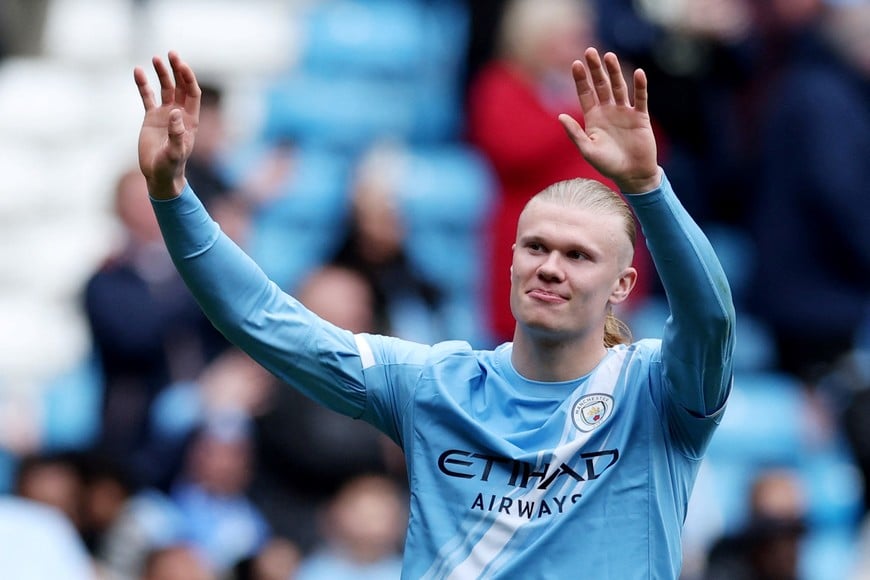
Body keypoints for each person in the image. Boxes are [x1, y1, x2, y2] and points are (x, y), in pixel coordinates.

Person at [133, 46, 735, 579]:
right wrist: (171, 195)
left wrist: (647, 186)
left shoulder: (656, 391)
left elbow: (710, 320)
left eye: (578, 255)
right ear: (510, 261)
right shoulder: (435, 386)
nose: (551, 267)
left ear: (622, 284)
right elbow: (262, 320)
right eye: (535, 247)